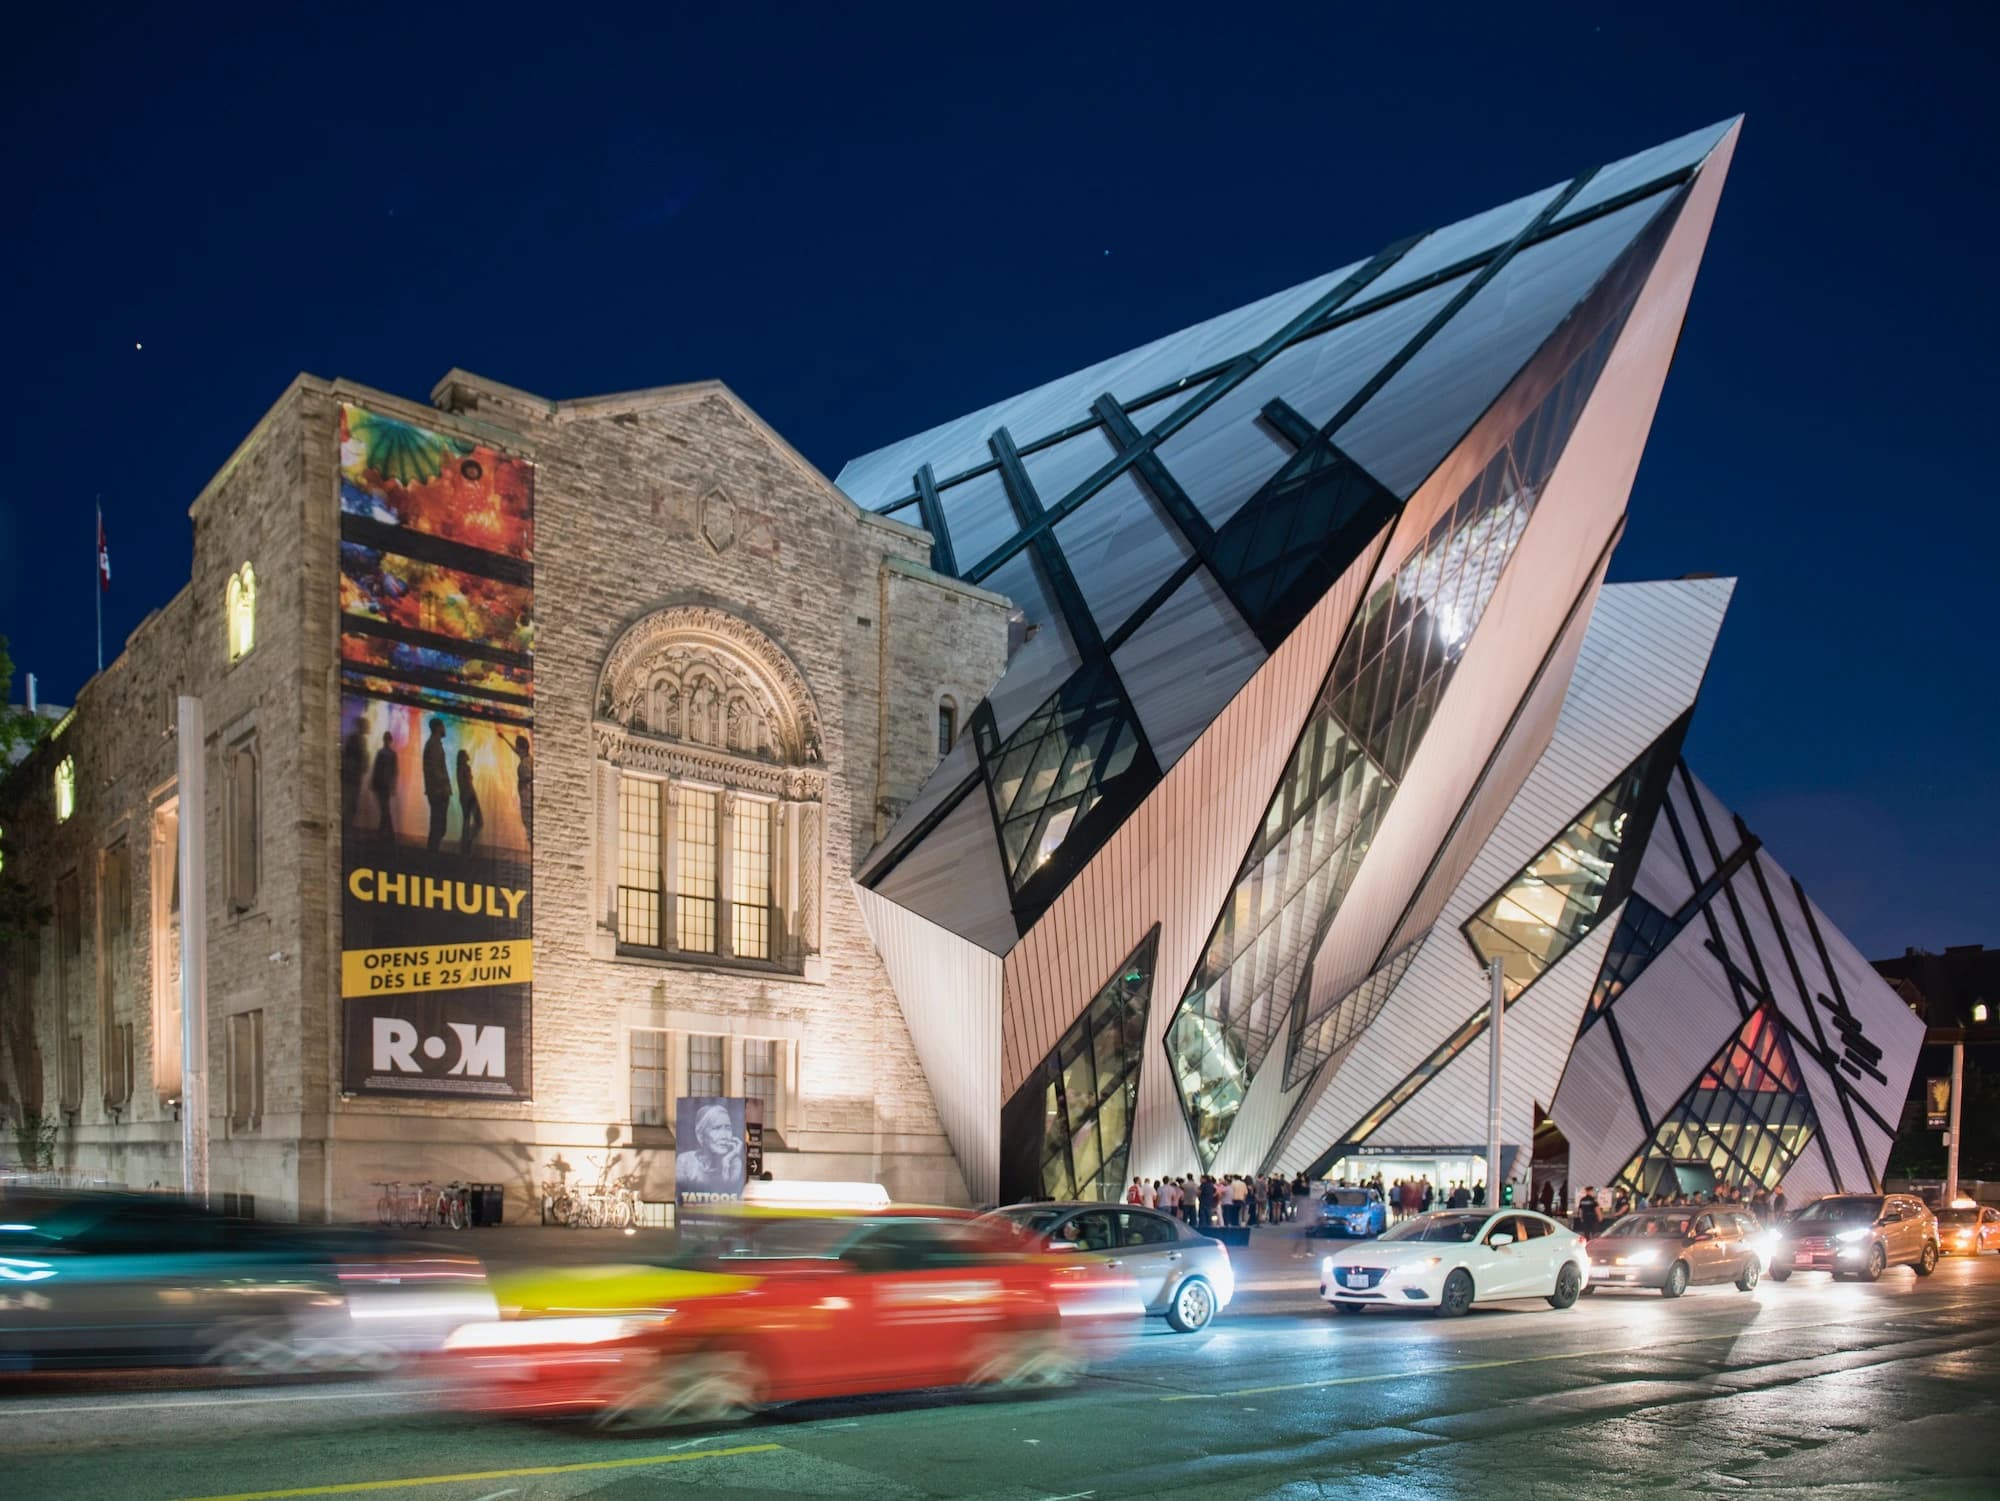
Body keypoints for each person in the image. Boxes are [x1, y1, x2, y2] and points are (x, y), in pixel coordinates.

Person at [423, 718, 452, 852]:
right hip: (438, 792)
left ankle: (432, 853)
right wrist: (443, 787)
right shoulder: (434, 745)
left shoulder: (433, 744)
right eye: (443, 726)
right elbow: (435, 770)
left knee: (437, 825)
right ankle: (431, 855)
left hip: (436, 791)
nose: (444, 729)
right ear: (437, 728)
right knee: (438, 826)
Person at [370, 730, 399, 843]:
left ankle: (384, 832)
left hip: (382, 783)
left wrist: (392, 785)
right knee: (385, 809)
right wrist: (393, 786)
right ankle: (387, 833)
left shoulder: (382, 753)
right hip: (384, 784)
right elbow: (394, 772)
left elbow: (391, 771)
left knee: (384, 808)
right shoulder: (390, 754)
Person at [455, 747, 483, 856]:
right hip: (470, 796)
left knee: (466, 821)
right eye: (466, 754)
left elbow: (463, 784)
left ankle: (464, 844)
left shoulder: (459, 768)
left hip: (464, 797)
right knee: (479, 821)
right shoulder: (465, 768)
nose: (468, 755)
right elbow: (468, 784)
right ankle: (467, 842)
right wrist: (473, 796)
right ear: (463, 757)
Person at [341, 721, 368, 828]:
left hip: (354, 774)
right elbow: (358, 756)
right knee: (349, 801)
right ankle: (346, 825)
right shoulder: (357, 739)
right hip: (352, 774)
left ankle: (347, 825)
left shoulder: (358, 739)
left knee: (351, 801)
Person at [510, 732, 534, 841]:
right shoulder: (526, 759)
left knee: (530, 831)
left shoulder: (526, 763)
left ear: (522, 749)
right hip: (526, 801)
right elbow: (514, 750)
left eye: (518, 747)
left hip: (528, 802)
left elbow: (530, 779)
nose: (516, 750)